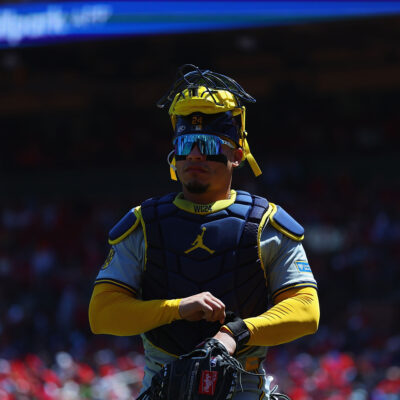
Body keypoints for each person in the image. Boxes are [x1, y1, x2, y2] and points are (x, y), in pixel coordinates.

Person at [89, 65, 320, 399]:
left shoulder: (269, 223)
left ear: (237, 155)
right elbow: (102, 314)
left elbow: (306, 310)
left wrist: (235, 333)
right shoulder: (142, 223)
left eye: (209, 144)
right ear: (174, 154)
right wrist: (176, 308)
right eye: (186, 143)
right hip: (161, 389)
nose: (195, 154)